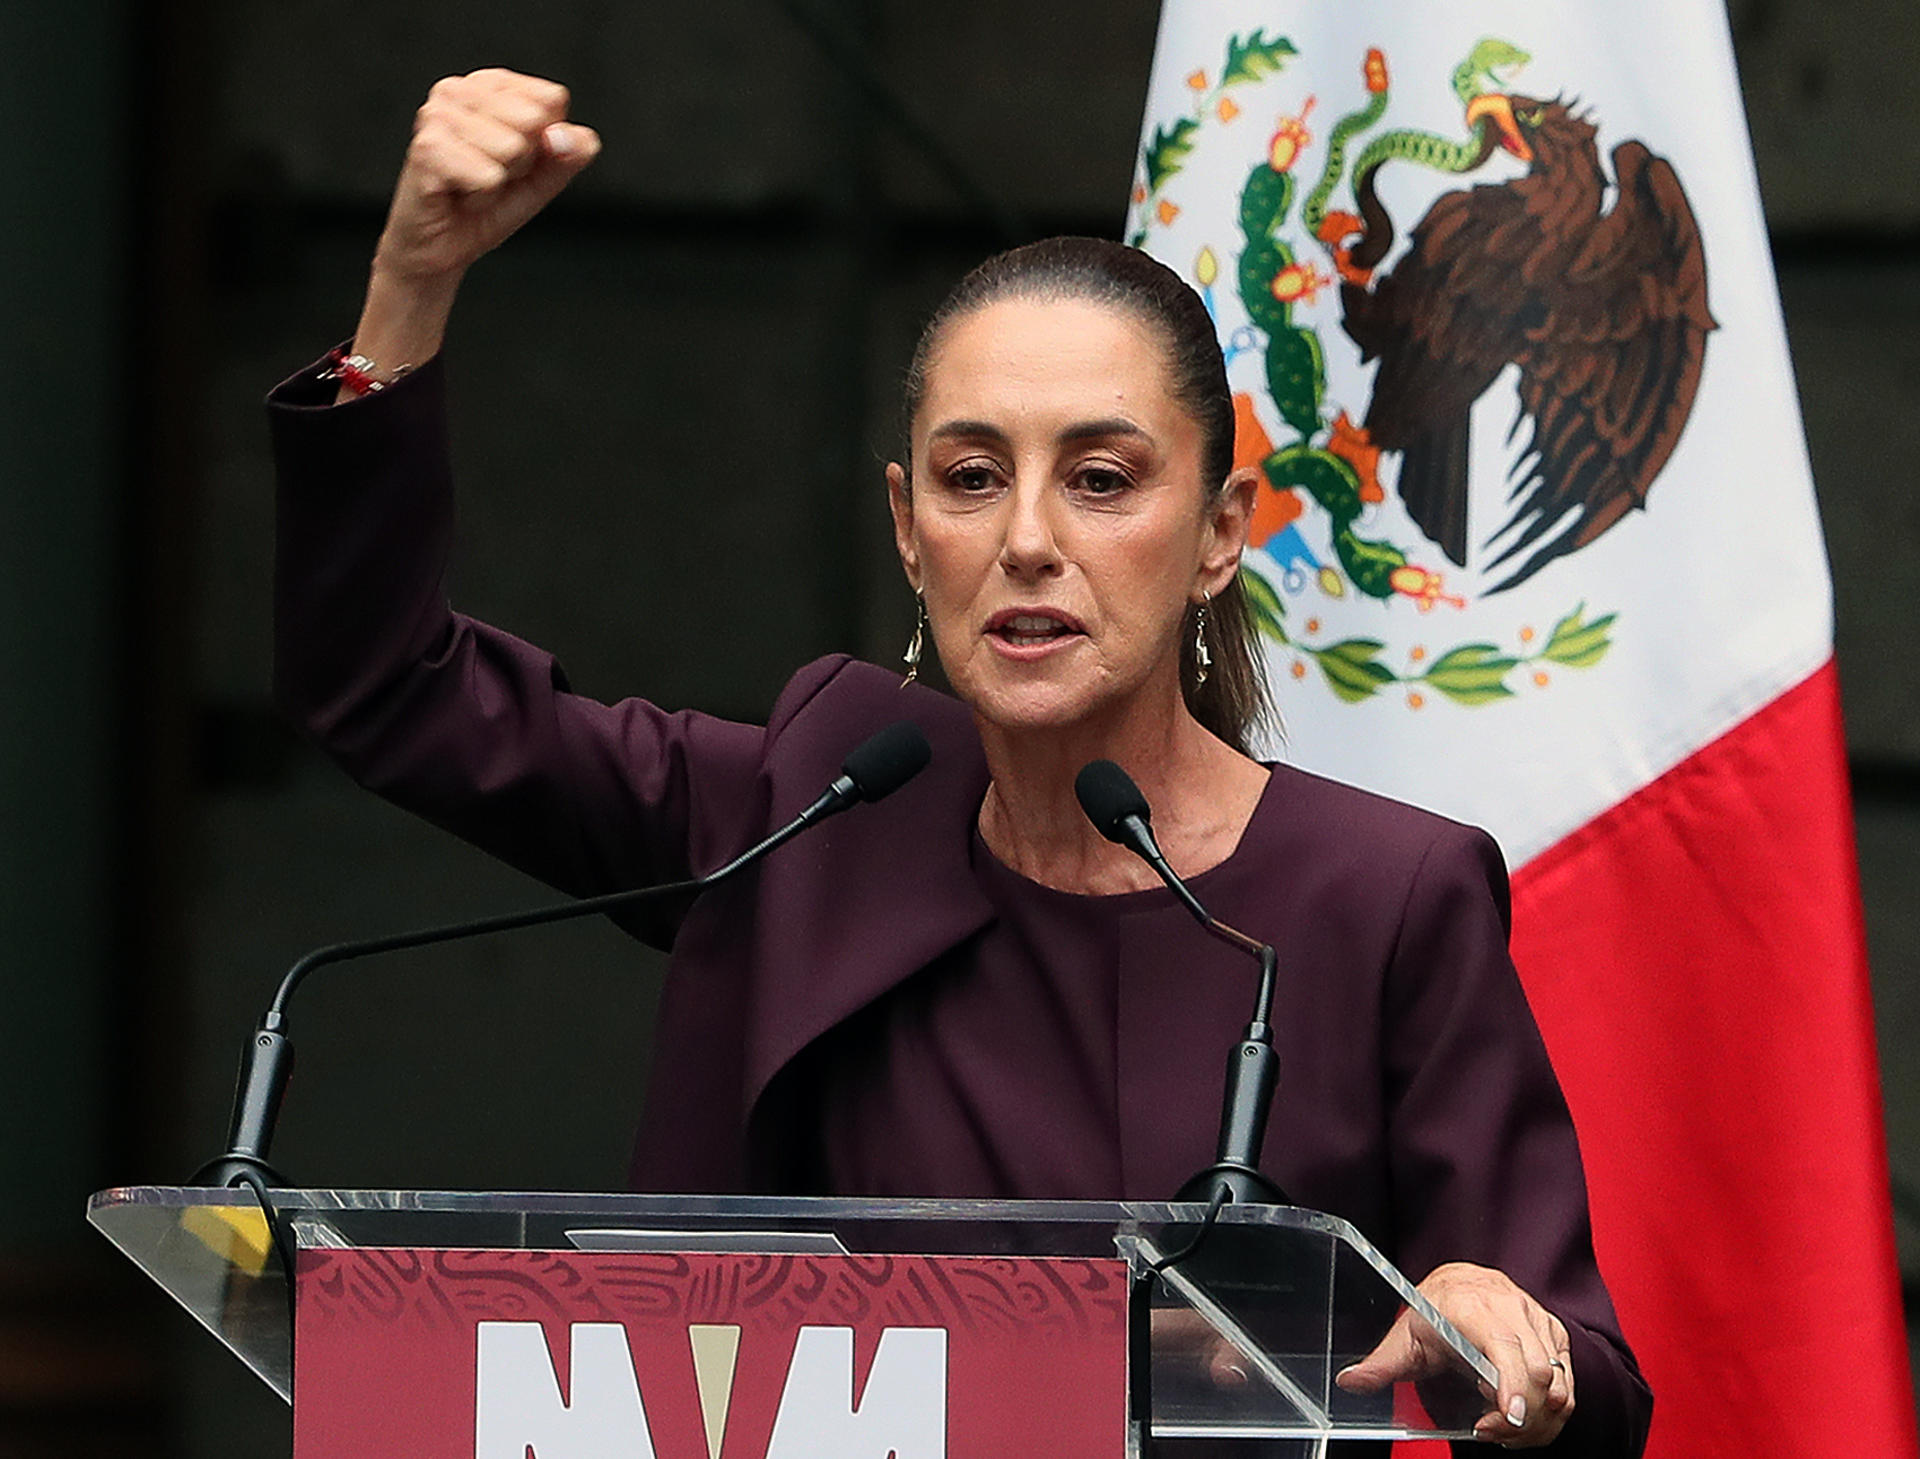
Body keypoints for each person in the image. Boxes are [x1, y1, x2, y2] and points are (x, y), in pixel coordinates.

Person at [267, 69, 1651, 1454]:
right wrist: (412, 282)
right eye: (972, 476)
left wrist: (1500, 1332)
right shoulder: (818, 806)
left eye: (1101, 479)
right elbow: (390, 689)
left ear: (1222, 529)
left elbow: (1582, 1377)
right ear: (908, 526)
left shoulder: (1385, 896)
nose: (1028, 537)